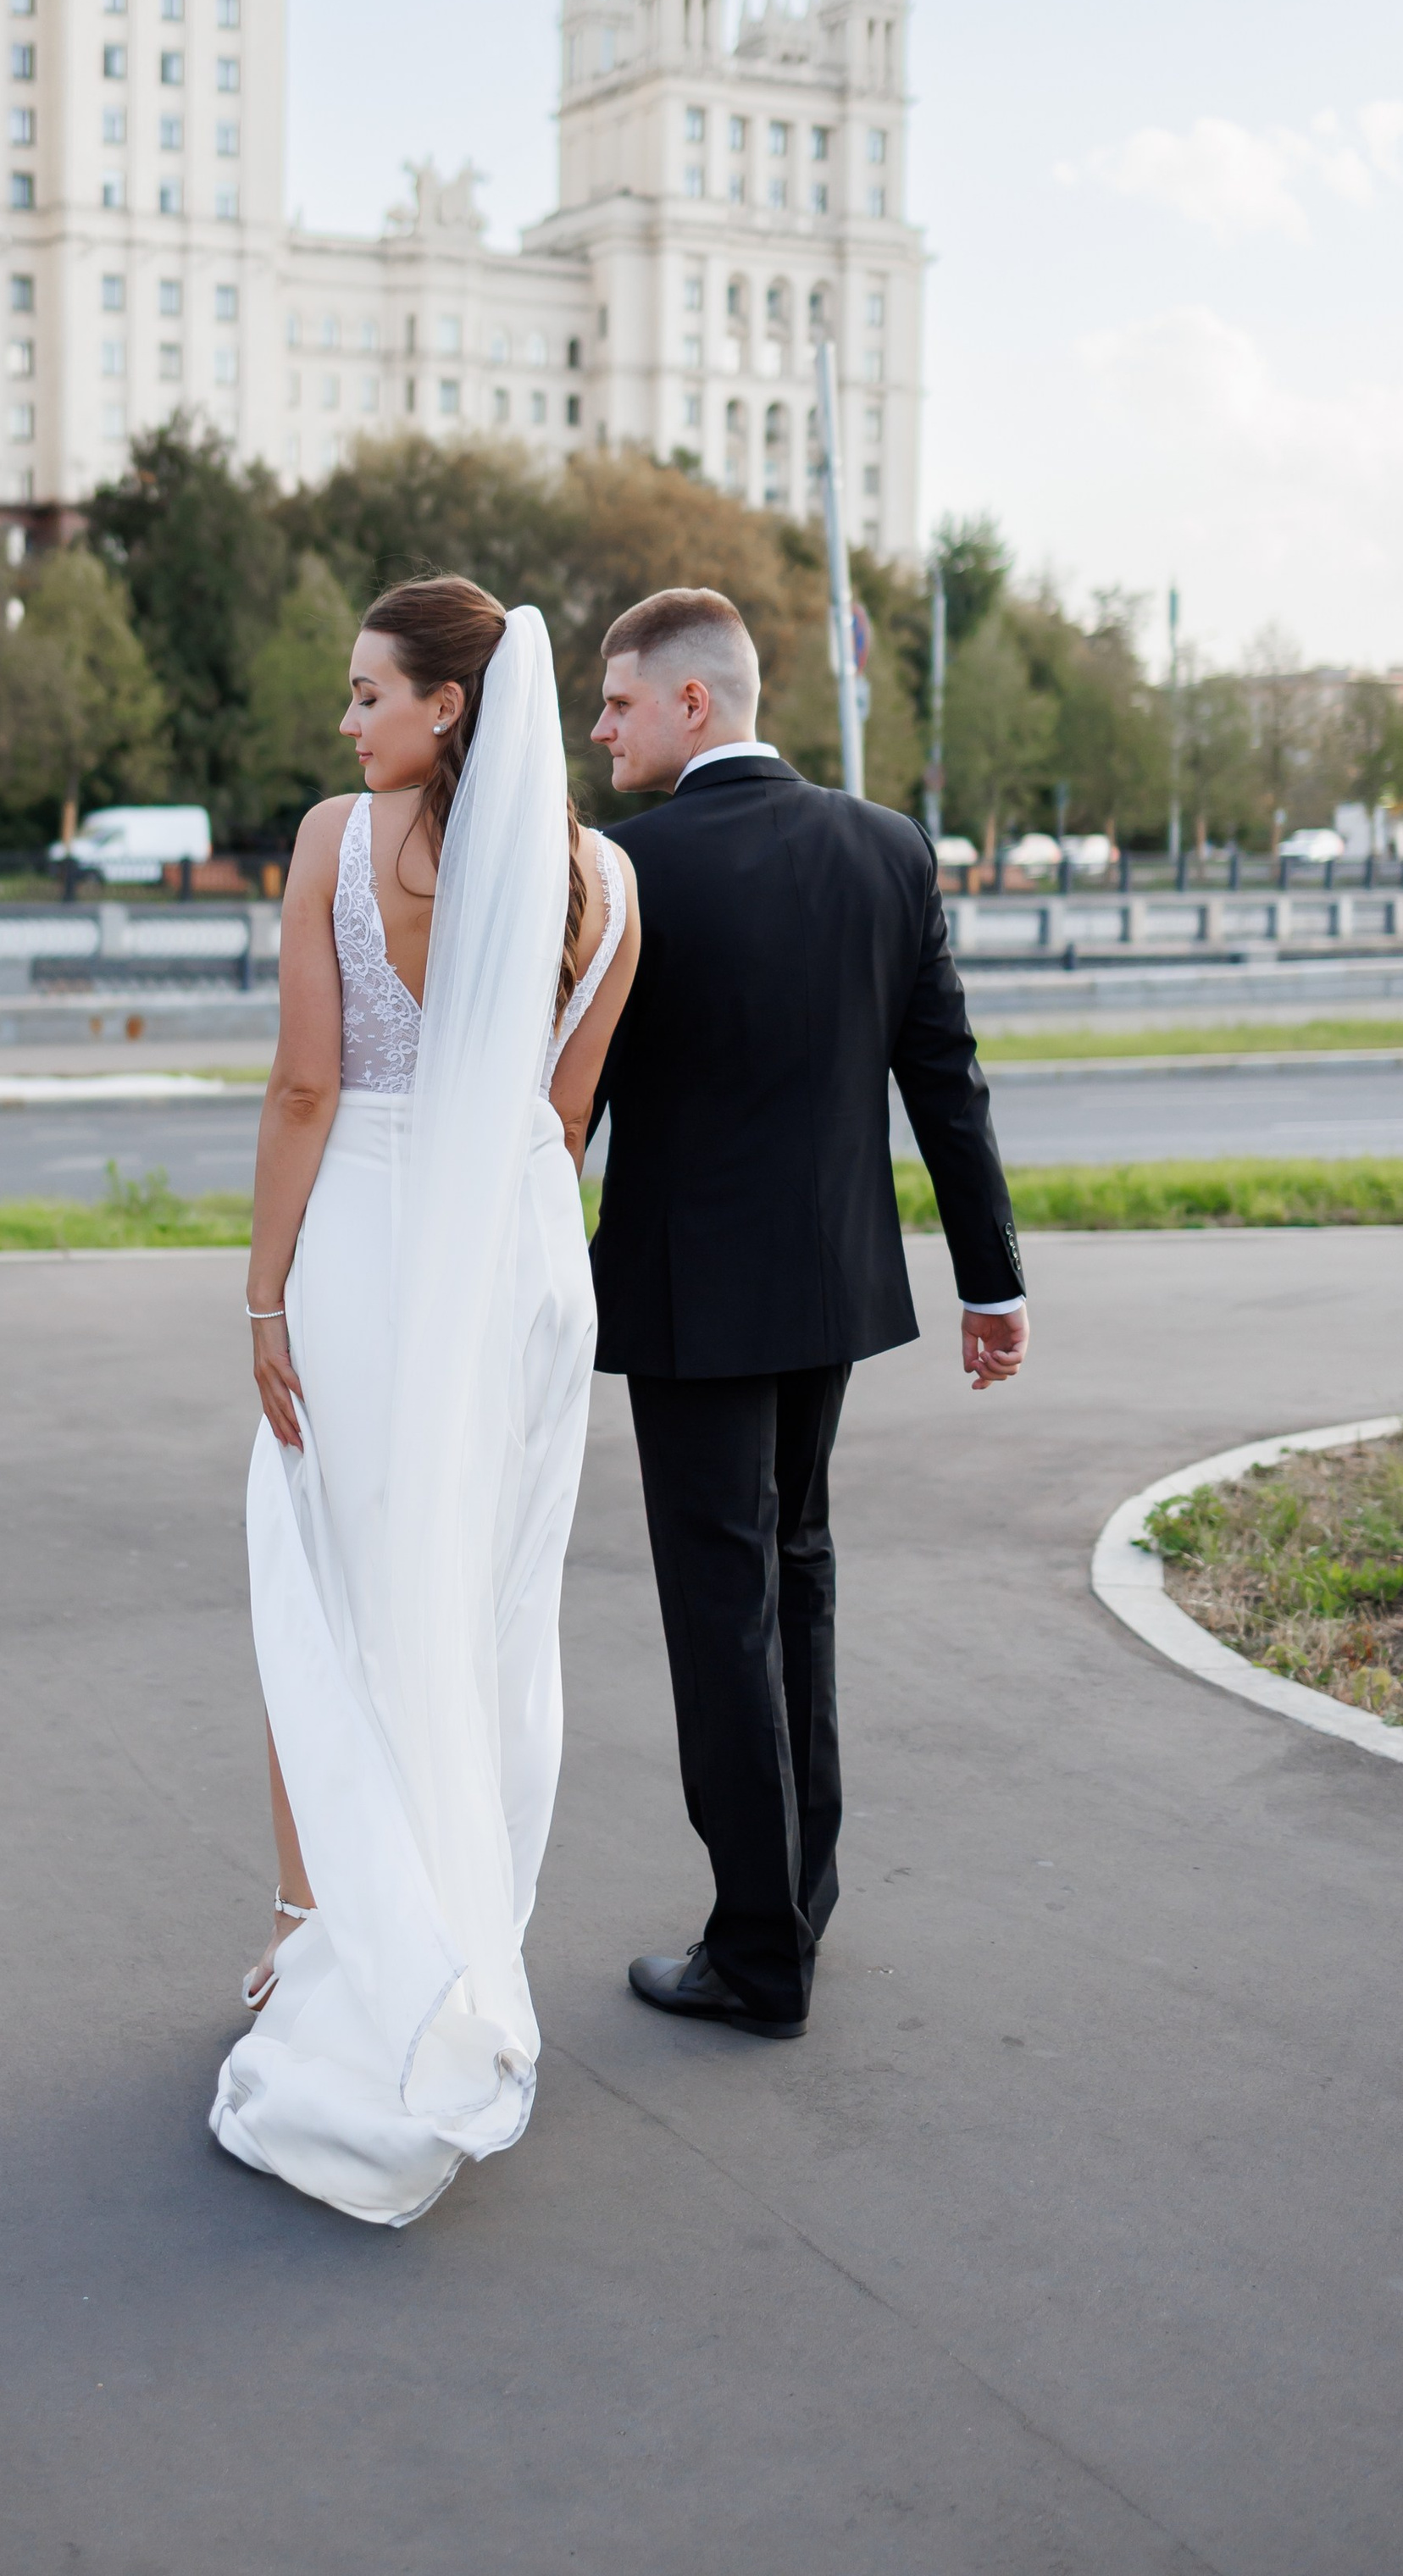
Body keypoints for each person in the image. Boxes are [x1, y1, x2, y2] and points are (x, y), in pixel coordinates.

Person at [210, 575, 640, 2225]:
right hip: (523, 1257)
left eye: (367, 692)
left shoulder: (337, 840)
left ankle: (317, 1931)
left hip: (375, 1237)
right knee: (484, 1599)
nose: (347, 721)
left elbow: (306, 1081)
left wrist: (261, 1290)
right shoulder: (603, 882)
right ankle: (467, 1933)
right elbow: (558, 1122)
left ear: (445, 705)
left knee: (331, 1584)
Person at [588, 586, 1028, 2041]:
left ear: (694, 704)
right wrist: (991, 1280)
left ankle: (758, 1955)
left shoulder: (625, 872)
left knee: (722, 1609)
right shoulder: (888, 849)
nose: (601, 731)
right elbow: (944, 1081)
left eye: (620, 704)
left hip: (684, 1298)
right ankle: (801, 1899)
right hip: (834, 1285)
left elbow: (563, 1110)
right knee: (800, 1571)